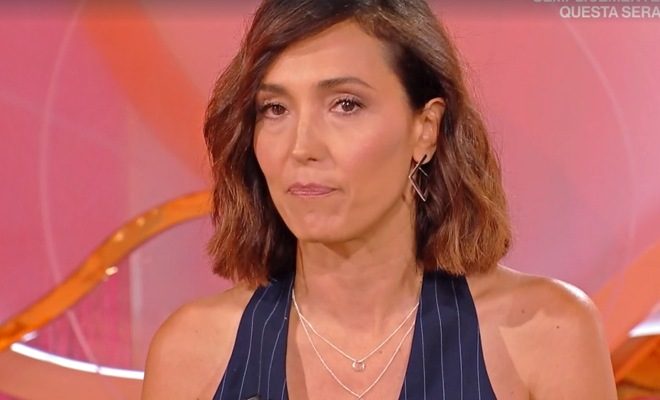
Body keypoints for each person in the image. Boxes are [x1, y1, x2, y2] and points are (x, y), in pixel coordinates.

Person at [142, 0, 617, 399]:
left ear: (425, 130)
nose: (301, 147)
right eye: (276, 108)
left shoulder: (545, 334)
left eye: (345, 104)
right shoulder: (193, 351)